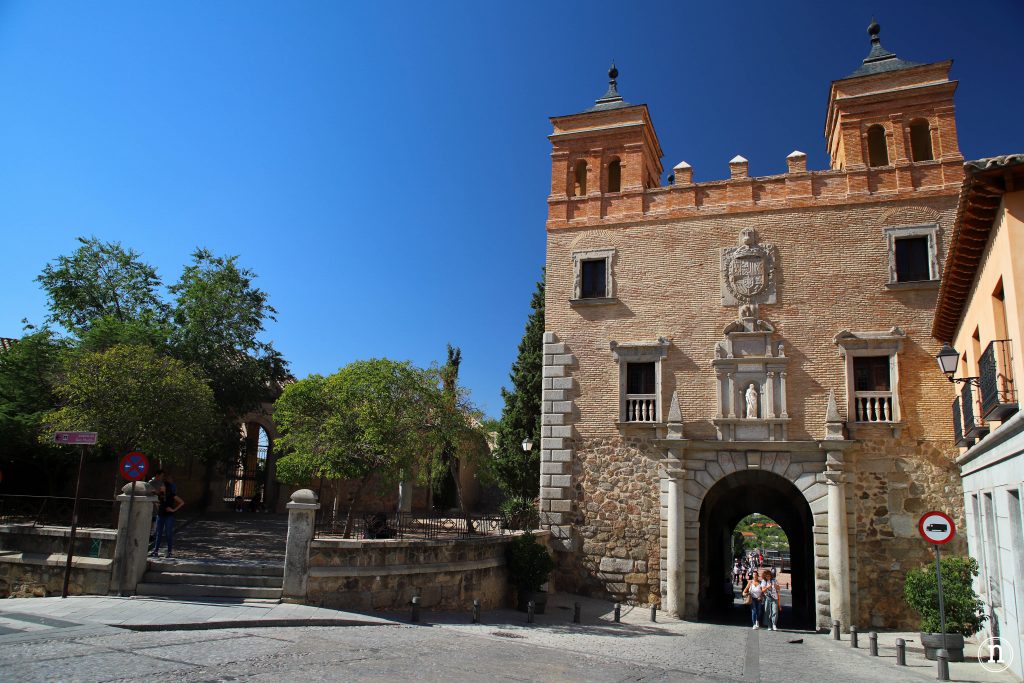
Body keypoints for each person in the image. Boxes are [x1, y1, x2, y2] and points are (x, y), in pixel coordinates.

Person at [151, 474, 184, 558]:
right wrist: (156, 505)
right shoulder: (160, 495)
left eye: (162, 486)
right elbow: (158, 503)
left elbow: (182, 502)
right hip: (160, 515)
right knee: (158, 534)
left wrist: (173, 510)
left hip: (169, 516)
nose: (160, 487)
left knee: (168, 534)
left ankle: (169, 552)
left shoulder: (172, 495)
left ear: (165, 487)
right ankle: (155, 551)